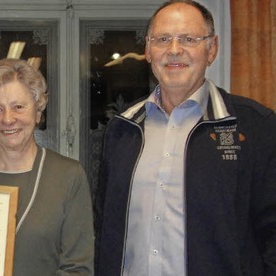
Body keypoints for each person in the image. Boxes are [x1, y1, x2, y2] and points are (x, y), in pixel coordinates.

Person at [95, 1, 276, 275]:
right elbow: (104, 228)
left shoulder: (255, 126)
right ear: (147, 49)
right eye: (163, 39)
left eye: (189, 39)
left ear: (211, 49)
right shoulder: (123, 130)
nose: (174, 50)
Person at [0, 58, 94, 275]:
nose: (8, 119)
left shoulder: (69, 176)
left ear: (37, 111)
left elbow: (77, 268)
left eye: (18, 107)